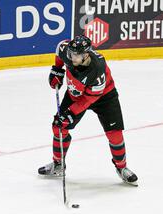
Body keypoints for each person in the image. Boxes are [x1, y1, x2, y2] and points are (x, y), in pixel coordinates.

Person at [39, 35, 138, 186]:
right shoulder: (67, 51)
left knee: (115, 134)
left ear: (86, 55)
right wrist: (57, 70)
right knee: (59, 127)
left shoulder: (97, 69)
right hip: (75, 94)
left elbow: (89, 99)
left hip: (104, 97)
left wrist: (70, 114)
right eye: (71, 54)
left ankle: (122, 167)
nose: (71, 58)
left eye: (76, 55)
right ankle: (58, 164)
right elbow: (59, 49)